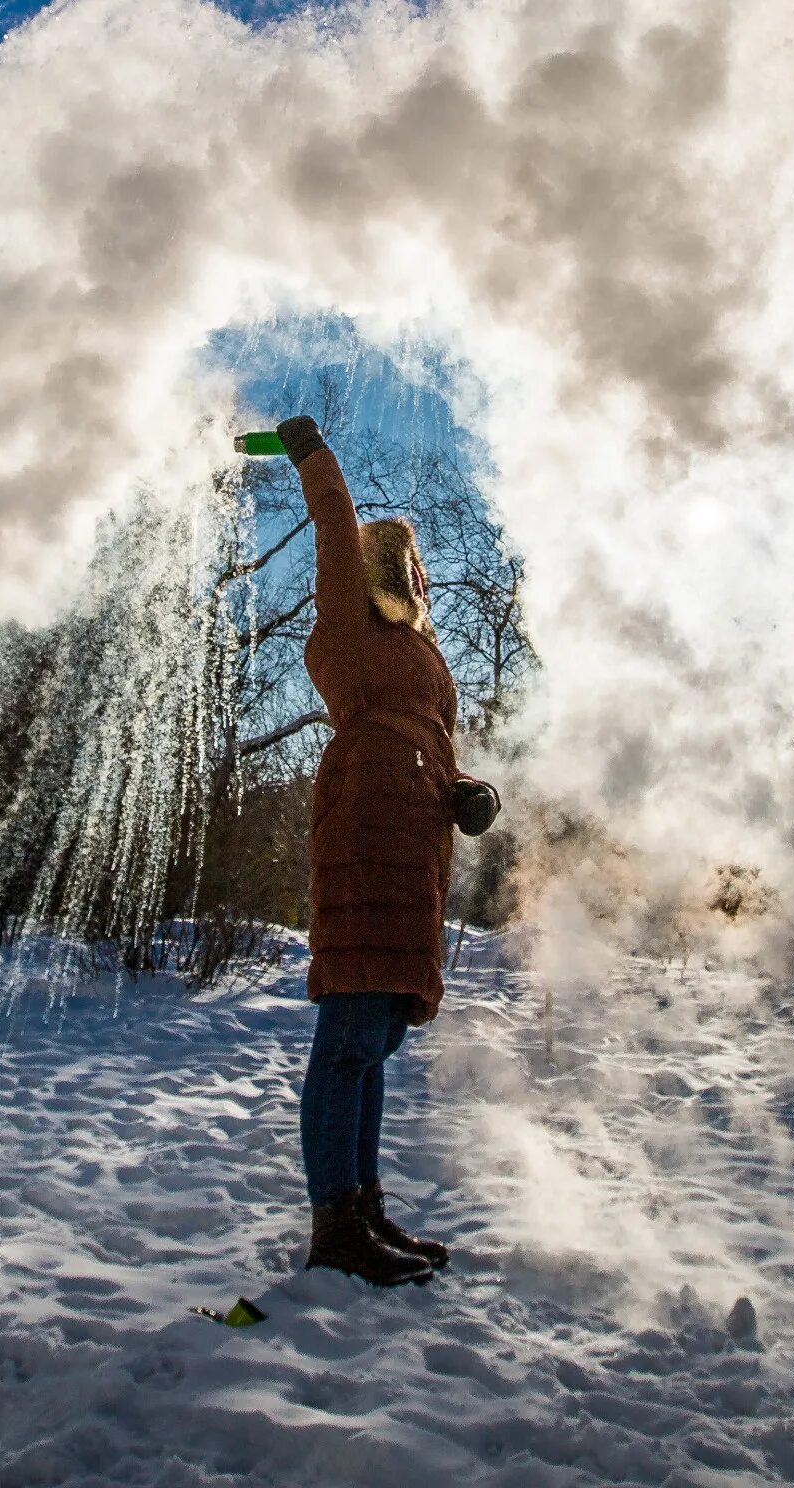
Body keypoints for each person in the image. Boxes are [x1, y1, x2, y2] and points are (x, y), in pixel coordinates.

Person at [272, 413, 501, 1287]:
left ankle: (362, 1208)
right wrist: (314, 455)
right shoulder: (349, 631)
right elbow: (335, 525)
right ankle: (335, 1225)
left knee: (375, 1039)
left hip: (415, 853)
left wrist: (467, 791)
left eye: (415, 567)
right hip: (365, 836)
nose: (412, 576)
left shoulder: (419, 653)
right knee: (347, 1039)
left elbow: (435, 744)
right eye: (398, 564)